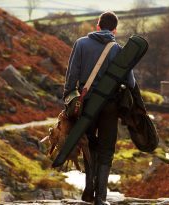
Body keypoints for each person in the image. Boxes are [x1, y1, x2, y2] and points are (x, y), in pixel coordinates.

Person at [62, 11, 135, 205]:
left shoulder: (80, 44)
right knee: (106, 150)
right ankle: (101, 198)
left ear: (97, 26)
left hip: (86, 104)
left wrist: (69, 99)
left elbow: (72, 75)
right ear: (114, 30)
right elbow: (130, 81)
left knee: (88, 145)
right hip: (109, 106)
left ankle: (89, 190)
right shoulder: (118, 50)